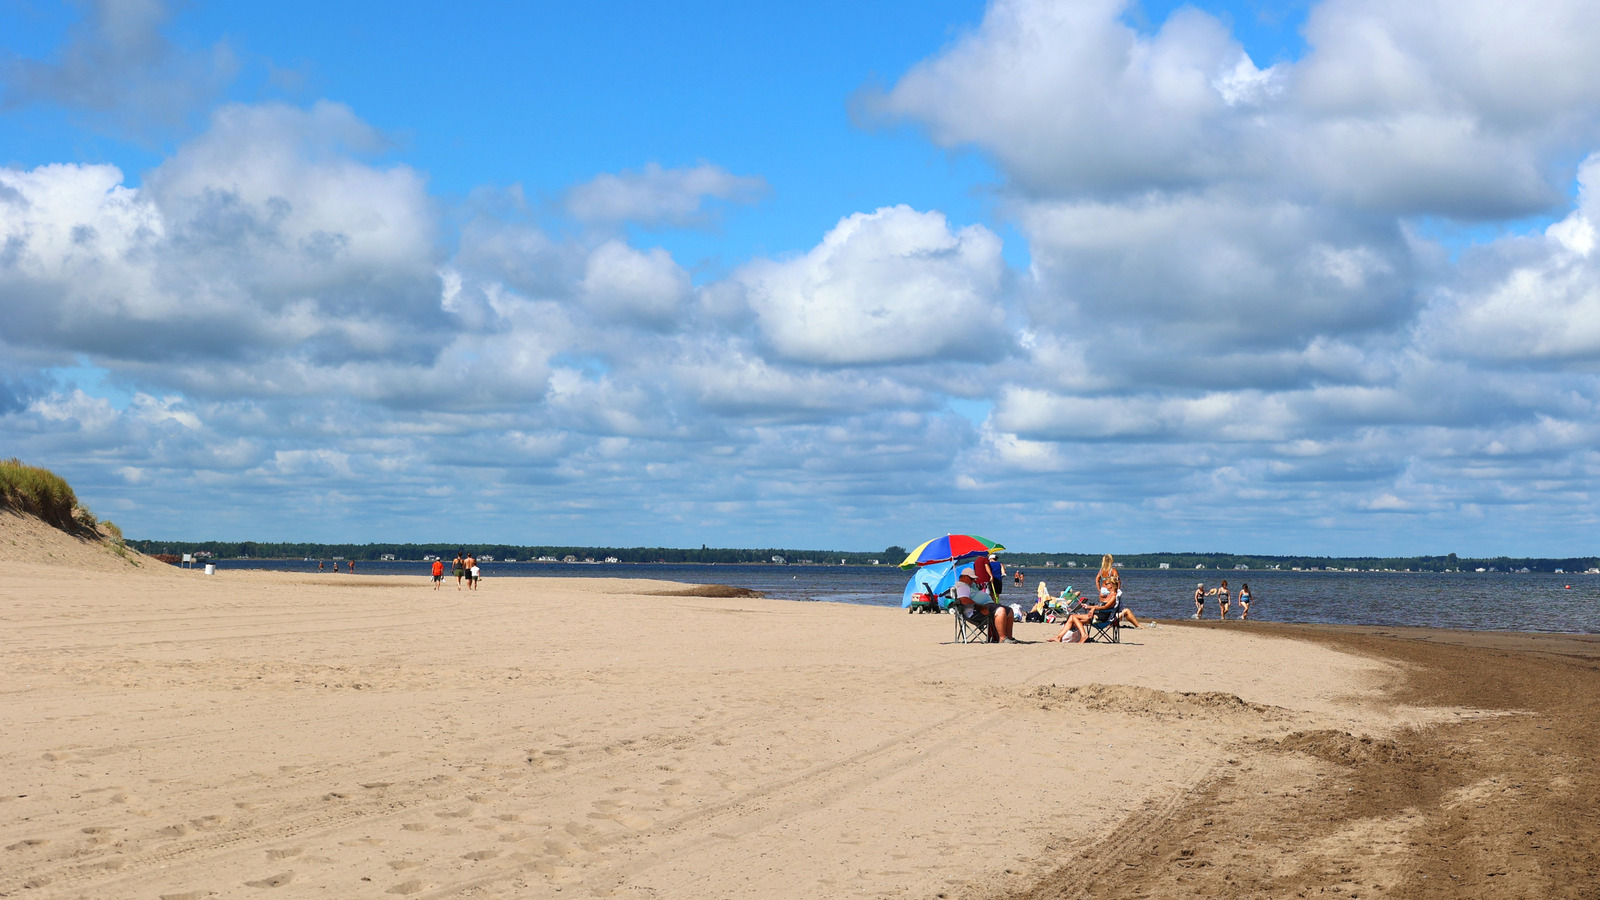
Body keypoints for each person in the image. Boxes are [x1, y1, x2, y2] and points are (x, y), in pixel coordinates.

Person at [953, 569, 1018, 643]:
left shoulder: (970, 585)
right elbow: (963, 600)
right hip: (976, 611)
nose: (973, 581)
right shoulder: (962, 586)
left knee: (1009, 611)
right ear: (964, 577)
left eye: (974, 579)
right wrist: (980, 607)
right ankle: (1002, 638)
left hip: (985, 606)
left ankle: (1009, 637)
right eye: (971, 579)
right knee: (1001, 610)